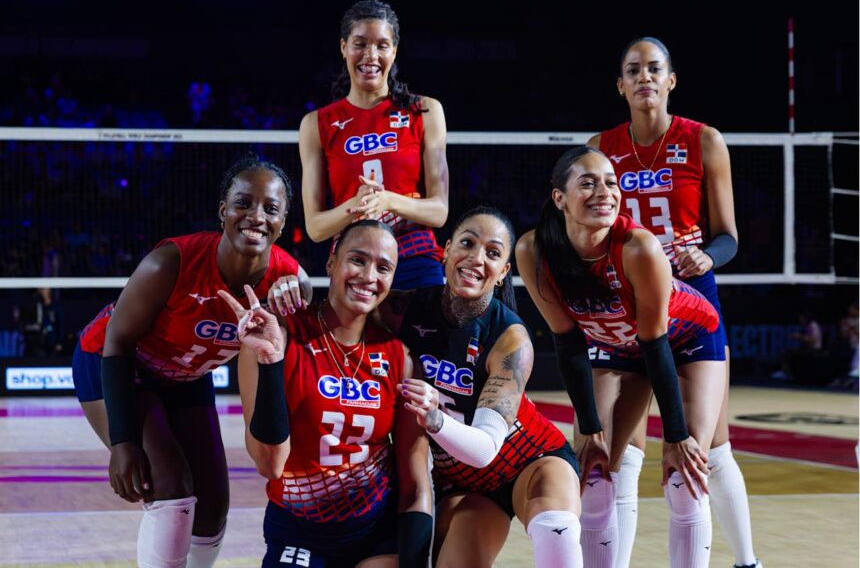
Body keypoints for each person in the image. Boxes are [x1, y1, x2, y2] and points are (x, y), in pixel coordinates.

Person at [72, 153, 311, 568]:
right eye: (243, 203)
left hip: (185, 376)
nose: (256, 216)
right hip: (116, 362)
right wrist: (123, 441)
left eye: (270, 208)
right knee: (172, 485)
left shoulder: (287, 281)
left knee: (213, 506)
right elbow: (118, 343)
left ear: (283, 220)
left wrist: (300, 292)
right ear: (223, 211)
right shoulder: (170, 262)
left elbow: (305, 298)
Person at [587, 36, 761, 568]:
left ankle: (747, 561)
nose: (644, 77)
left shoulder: (703, 140)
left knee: (707, 450)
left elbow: (728, 237)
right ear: (620, 85)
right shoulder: (600, 147)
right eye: (633, 70)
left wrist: (706, 256)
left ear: (671, 80)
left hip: (689, 301)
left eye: (654, 68)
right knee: (614, 458)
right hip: (624, 302)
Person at [516, 146, 726, 568]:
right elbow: (568, 343)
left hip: (685, 339)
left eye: (611, 182)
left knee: (684, 478)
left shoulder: (638, 247)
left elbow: (655, 345)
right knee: (592, 476)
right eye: (588, 183)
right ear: (560, 198)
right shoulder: (534, 250)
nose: (604, 192)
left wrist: (675, 437)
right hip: (617, 345)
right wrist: (590, 430)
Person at [377, 206, 584, 568]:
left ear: (503, 272)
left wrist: (434, 419)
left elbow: (486, 448)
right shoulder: (403, 308)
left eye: (492, 252)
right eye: (467, 243)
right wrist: (294, 284)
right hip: (464, 483)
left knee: (556, 530)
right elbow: (341, 309)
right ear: (446, 250)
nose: (476, 258)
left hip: (529, 459)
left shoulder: (510, 338)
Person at [222, 219, 432, 568]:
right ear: (331, 262)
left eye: (383, 268)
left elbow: (415, 485)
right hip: (300, 533)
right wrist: (271, 362)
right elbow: (269, 465)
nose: (369, 276)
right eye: (358, 260)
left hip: (376, 534)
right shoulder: (279, 335)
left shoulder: (400, 357)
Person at [299, 0, 449, 290]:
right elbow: (316, 228)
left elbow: (439, 211)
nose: (371, 55)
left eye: (382, 45)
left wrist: (387, 200)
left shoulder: (425, 110)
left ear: (394, 51)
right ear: (344, 47)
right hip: (354, 257)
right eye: (360, 44)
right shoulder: (316, 124)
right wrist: (356, 206)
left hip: (414, 254)